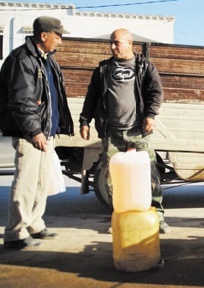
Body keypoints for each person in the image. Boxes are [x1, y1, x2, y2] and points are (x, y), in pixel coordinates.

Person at [79, 28, 170, 233]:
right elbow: (91, 97)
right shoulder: (103, 69)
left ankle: (158, 216)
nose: (112, 47)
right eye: (111, 43)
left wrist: (150, 115)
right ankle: (119, 217)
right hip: (111, 132)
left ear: (130, 43)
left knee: (150, 175)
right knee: (114, 177)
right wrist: (85, 121)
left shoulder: (144, 67)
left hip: (138, 131)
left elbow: (156, 92)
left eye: (117, 43)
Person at [0, 16, 74, 250]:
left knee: (42, 183)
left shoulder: (47, 60)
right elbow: (22, 100)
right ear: (44, 35)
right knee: (26, 183)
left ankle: (34, 224)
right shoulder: (22, 59)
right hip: (30, 135)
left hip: (46, 133)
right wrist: (34, 131)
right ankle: (15, 233)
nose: (60, 41)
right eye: (58, 36)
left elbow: (53, 97)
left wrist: (55, 128)